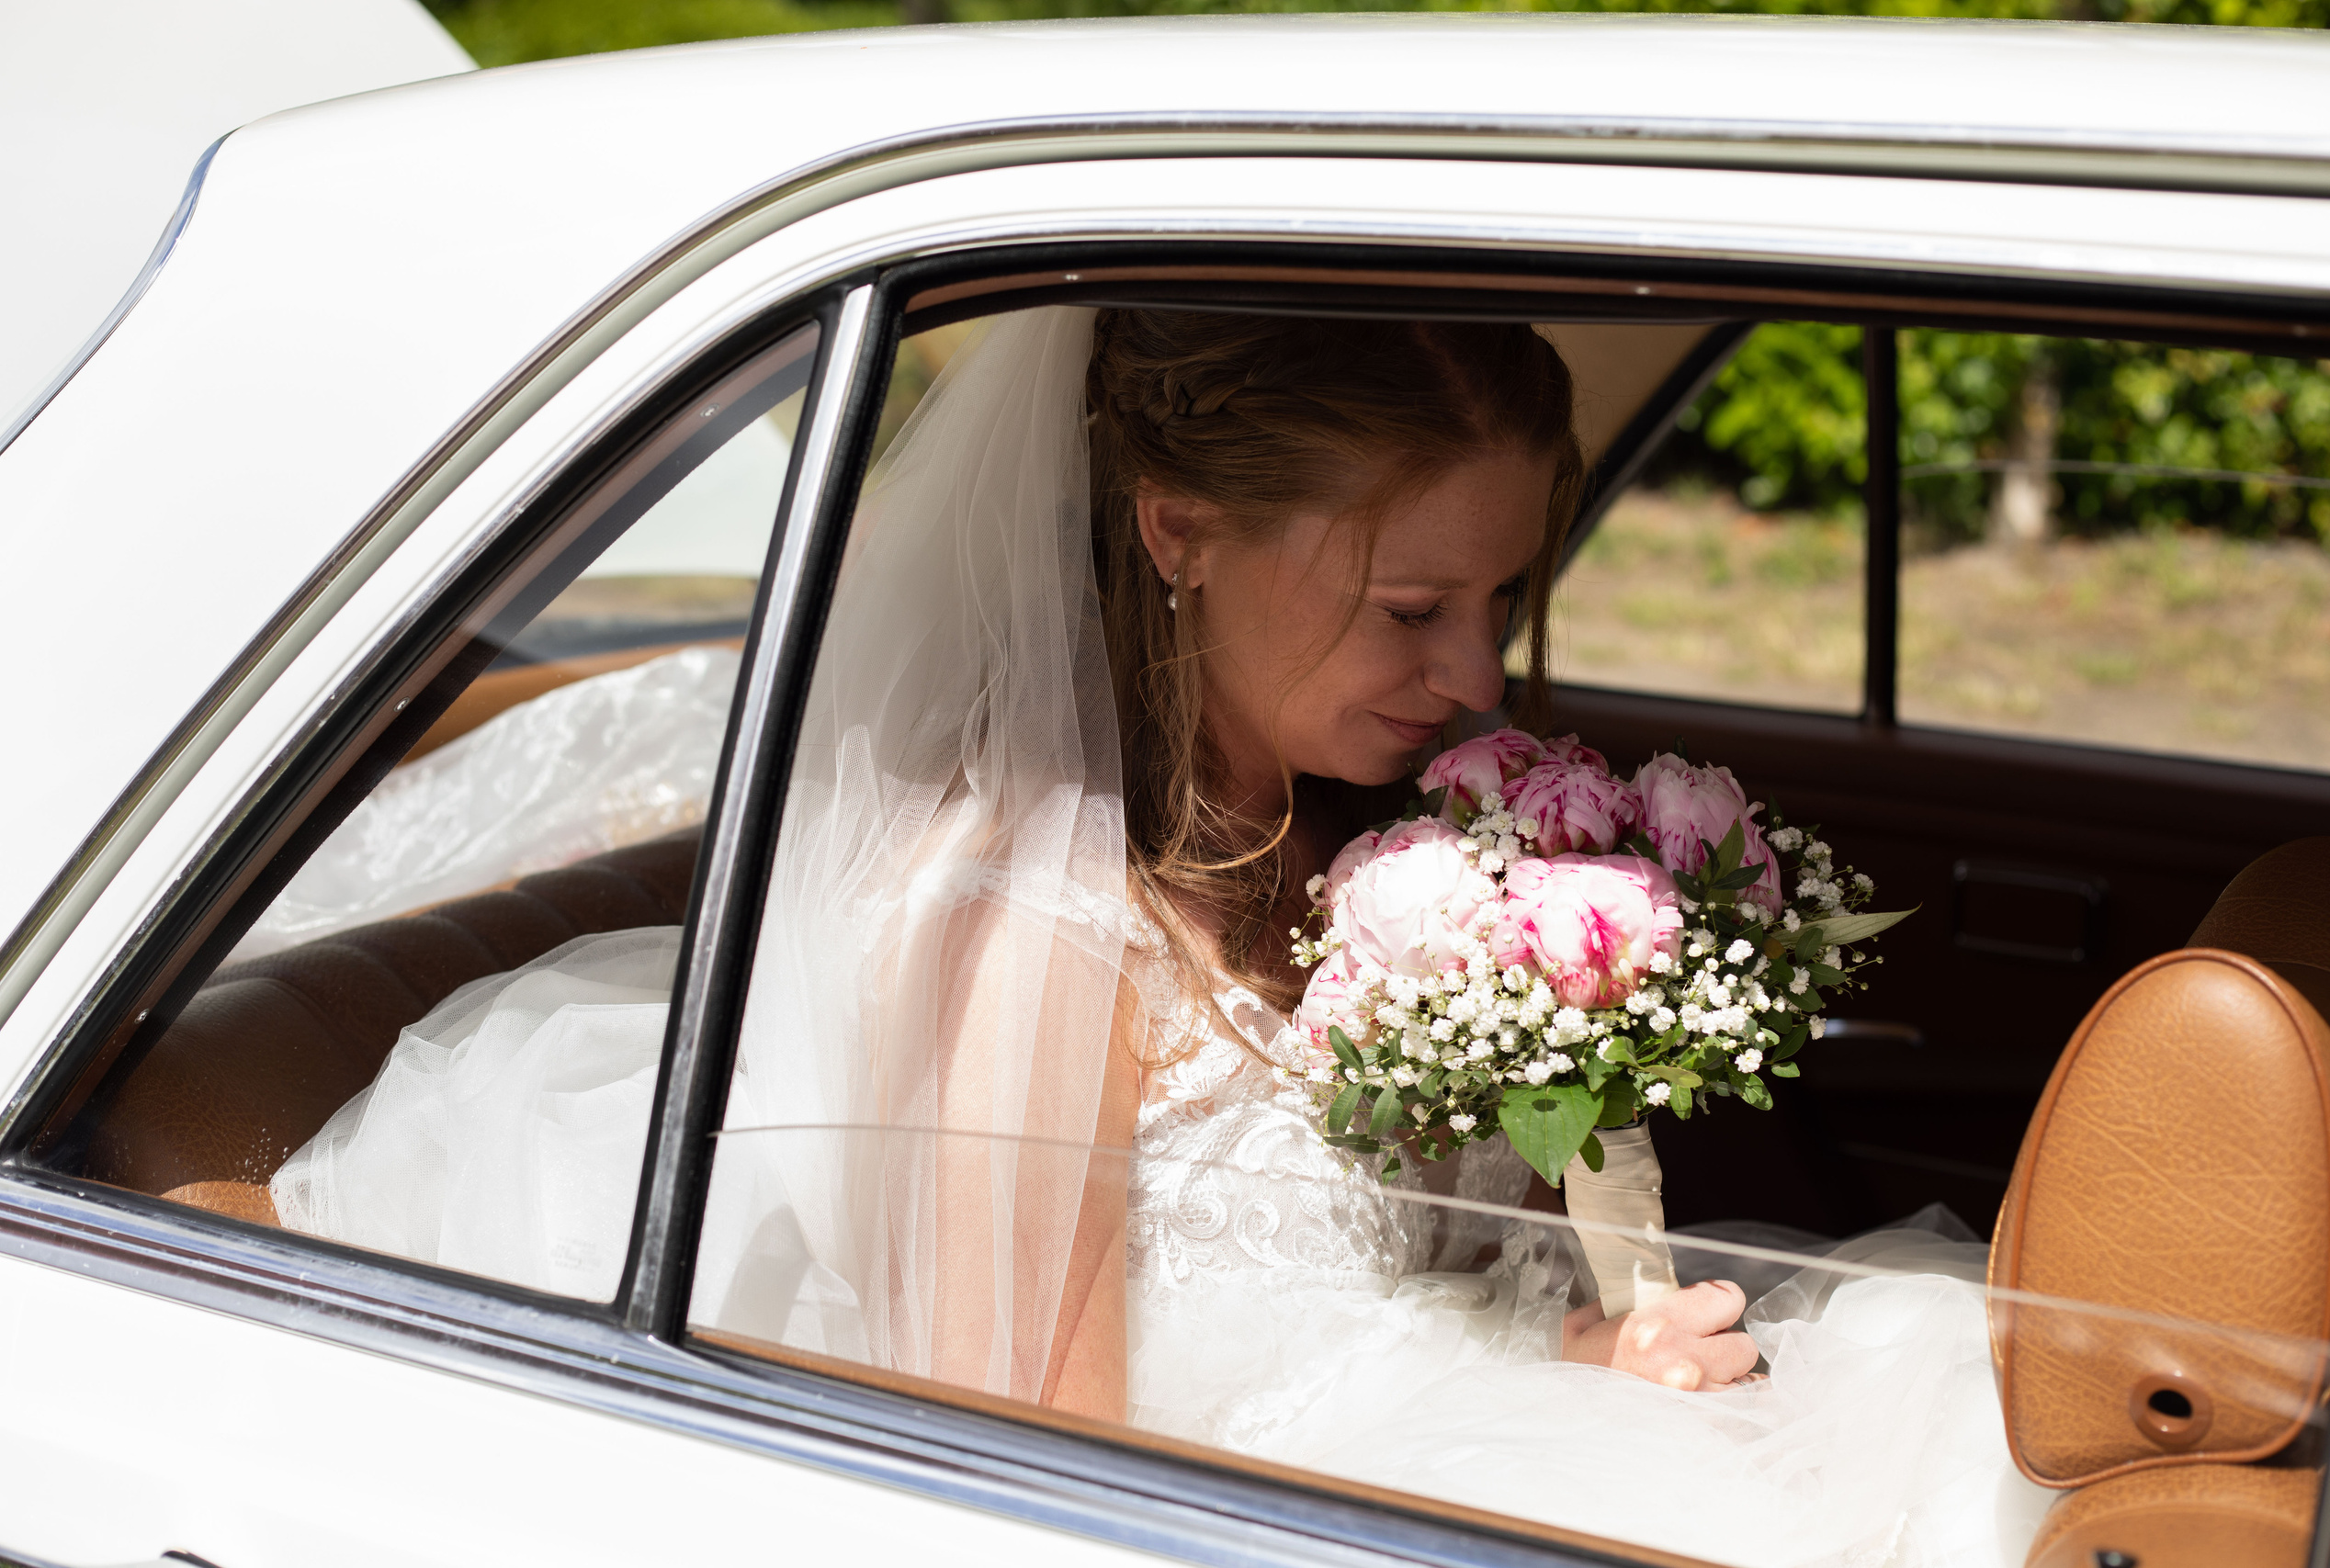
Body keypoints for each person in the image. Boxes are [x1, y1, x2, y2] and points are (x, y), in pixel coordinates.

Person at [273, 307, 2053, 1566]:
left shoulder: (1351, 841)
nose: (1471, 676)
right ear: (1178, 527)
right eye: (1412, 605)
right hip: (1238, 1492)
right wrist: (1556, 1377)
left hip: (1456, 1394)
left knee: (1943, 1369)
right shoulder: (1027, 929)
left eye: (1502, 597)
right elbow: (1024, 1475)